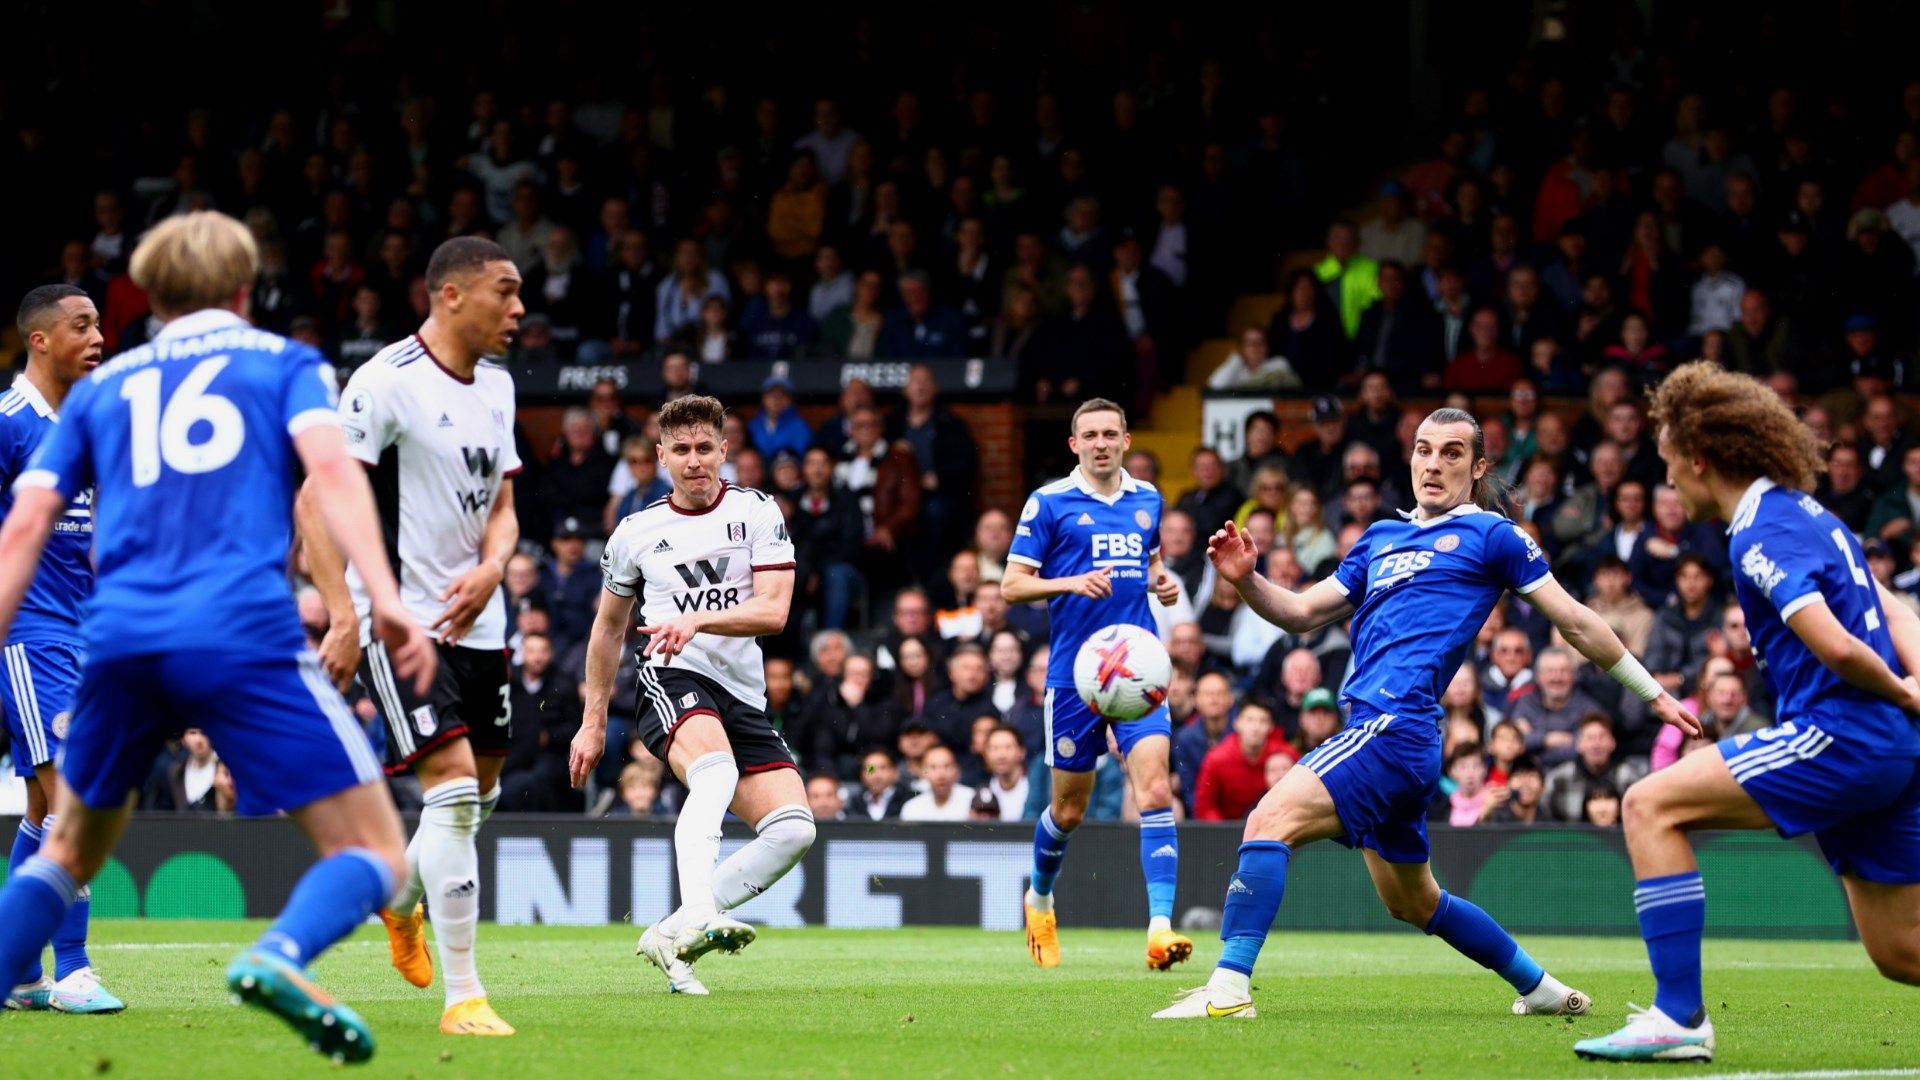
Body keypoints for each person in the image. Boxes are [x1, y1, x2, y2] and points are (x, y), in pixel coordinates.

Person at [0, 212, 434, 1061]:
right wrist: (380, 594)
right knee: (378, 851)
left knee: (66, 849)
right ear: (245, 288)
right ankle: (279, 954)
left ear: (149, 298)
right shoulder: (283, 363)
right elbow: (332, 473)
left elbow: (24, 529)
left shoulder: (101, 390)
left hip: (117, 636)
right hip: (239, 629)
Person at [1154, 406, 1698, 1022]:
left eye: (1451, 453)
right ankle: (1540, 987)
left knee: (1266, 820)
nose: (1433, 464)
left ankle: (1227, 991)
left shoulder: (1494, 535)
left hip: (1395, 725)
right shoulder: (1379, 539)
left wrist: (1651, 692)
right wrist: (1248, 579)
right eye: (1423, 449)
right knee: (1415, 903)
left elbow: (1574, 619)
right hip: (1386, 734)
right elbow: (1303, 613)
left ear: (1478, 466)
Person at [1576, 362, 1920, 1062]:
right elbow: (1892, 606)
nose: (1668, 480)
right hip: (1887, 745)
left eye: (1671, 463)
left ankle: (1679, 1018)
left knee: (1647, 805)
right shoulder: (1814, 515)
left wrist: (1911, 693)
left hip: (1843, 737)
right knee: (1901, 952)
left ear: (1701, 460)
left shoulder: (1760, 530)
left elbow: (1837, 645)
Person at [297, 237, 523, 1038]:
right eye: (506, 291)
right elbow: (314, 505)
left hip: (483, 623)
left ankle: (398, 895)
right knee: (456, 790)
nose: (519, 308)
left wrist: (495, 566)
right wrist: (348, 613)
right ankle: (464, 997)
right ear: (452, 294)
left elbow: (503, 506)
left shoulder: (497, 387)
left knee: (483, 794)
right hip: (403, 623)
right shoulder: (384, 382)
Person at [569, 395, 811, 998]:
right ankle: (702, 912)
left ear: (724, 451)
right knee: (716, 772)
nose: (695, 461)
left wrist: (697, 619)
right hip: (669, 675)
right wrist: (592, 722)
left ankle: (672, 930)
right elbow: (607, 629)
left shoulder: (757, 511)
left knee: (793, 830)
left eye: (705, 448)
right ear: (660, 457)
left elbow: (774, 611)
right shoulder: (636, 532)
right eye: (681, 450)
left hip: (741, 689)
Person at [1002, 399, 1188, 971]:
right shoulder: (1049, 502)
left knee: (1155, 792)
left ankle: (1159, 929)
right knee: (1070, 809)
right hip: (1075, 679)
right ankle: (1040, 898)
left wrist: (1160, 581)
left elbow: (1151, 560)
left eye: (1111, 434)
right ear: (1074, 444)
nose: (1102, 443)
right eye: (1091, 435)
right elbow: (1012, 585)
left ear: (1127, 440)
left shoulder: (1148, 498)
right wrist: (1069, 582)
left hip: (1140, 671)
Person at [0, 286, 120, 1013]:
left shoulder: (85, 423)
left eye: (99, 323)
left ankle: (14, 971)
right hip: (28, 632)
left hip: (84, 632)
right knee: (79, 790)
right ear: (40, 340)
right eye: (82, 326)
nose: (98, 335)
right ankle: (73, 968)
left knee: (46, 809)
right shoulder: (8, 422)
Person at [899, 745, 975, 822]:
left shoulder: (973, 800)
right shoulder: (912, 808)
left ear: (957, 770)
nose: (941, 775)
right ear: (923, 772)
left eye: (947, 766)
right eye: (933, 767)